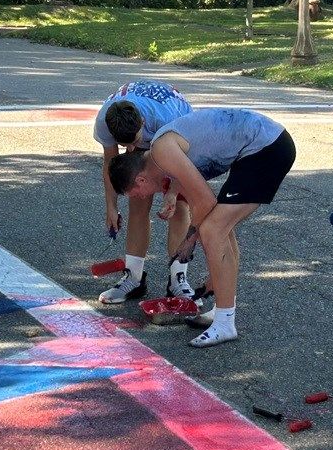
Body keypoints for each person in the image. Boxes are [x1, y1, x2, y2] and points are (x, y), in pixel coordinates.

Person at [108, 108, 295, 348]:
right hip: (257, 146)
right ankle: (223, 308)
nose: (141, 197)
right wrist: (173, 196)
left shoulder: (162, 151)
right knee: (220, 228)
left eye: (135, 193)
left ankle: (225, 323)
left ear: (140, 180)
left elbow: (205, 202)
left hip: (266, 147)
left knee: (212, 230)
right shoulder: (160, 158)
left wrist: (189, 240)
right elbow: (196, 195)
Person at [94, 81, 195, 304]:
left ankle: (178, 278)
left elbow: (185, 161)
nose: (131, 150)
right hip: (149, 130)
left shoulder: (167, 118)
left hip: (176, 138)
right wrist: (111, 206)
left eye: (134, 142)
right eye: (125, 145)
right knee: (137, 199)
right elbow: (110, 163)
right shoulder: (104, 121)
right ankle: (133, 277)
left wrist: (172, 193)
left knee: (179, 207)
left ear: (142, 122)